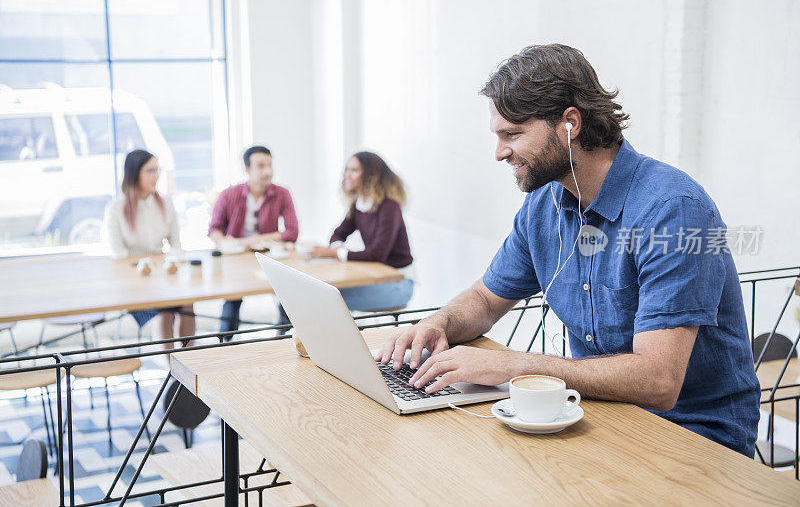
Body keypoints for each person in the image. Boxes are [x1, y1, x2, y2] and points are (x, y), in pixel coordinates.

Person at [377, 44, 760, 457]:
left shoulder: (674, 211)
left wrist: (514, 366)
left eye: (513, 134)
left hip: (694, 440)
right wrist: (439, 324)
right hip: (599, 419)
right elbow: (486, 300)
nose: (500, 152)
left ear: (569, 124)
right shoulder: (544, 205)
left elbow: (658, 381)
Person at [104, 149, 195, 350]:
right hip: (133, 280)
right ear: (134, 173)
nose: (157, 175)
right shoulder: (115, 208)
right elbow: (119, 256)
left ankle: (189, 363)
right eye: (150, 170)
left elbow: (176, 246)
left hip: (162, 275)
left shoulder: (165, 203)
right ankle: (172, 370)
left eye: (157, 169)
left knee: (187, 303)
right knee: (165, 309)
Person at [208, 145, 299, 338]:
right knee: (232, 299)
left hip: (270, 257)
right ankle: (224, 342)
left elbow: (292, 231)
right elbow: (214, 229)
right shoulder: (228, 194)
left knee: (287, 292)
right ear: (247, 169)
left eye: (269, 165)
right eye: (260, 166)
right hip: (236, 259)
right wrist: (225, 242)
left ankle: (284, 337)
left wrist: (249, 241)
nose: (268, 171)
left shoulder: (282, 193)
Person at [312, 151, 414, 312]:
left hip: (399, 284)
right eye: (347, 169)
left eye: (354, 170)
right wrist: (337, 248)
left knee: (326, 300)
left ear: (370, 176)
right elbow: (337, 234)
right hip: (376, 277)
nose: (347, 175)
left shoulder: (389, 207)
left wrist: (336, 254)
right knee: (320, 294)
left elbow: (377, 253)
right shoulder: (359, 204)